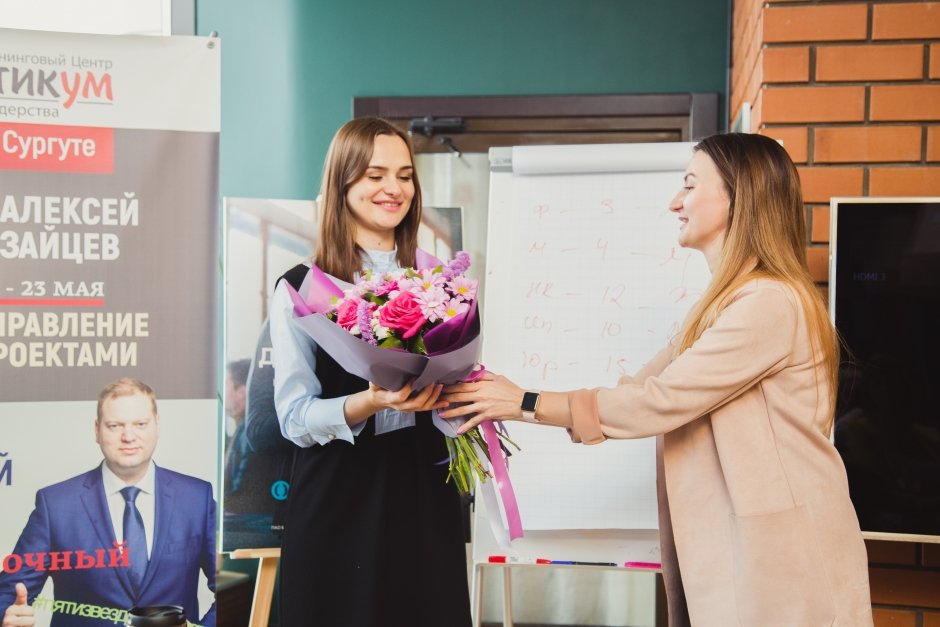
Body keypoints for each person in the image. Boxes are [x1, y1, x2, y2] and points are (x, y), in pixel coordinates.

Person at [442, 133, 874, 626]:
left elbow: (659, 401)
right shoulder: (719, 308)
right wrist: (501, 390)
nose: (675, 202)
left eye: (690, 185)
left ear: (740, 195)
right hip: (744, 554)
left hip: (782, 561)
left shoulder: (768, 303)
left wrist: (524, 401)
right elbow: (637, 392)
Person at [268, 117, 471, 627]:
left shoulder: (440, 285)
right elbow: (294, 418)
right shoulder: (301, 289)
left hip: (424, 499)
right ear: (344, 182)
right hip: (340, 502)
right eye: (376, 174)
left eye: (404, 176)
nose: (393, 189)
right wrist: (373, 401)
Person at [0, 378, 216, 627]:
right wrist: (8, 615)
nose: (128, 436)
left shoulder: (196, 498)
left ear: (157, 426)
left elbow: (230, 588)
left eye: (140, 424)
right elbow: (8, 592)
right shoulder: (56, 506)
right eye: (115, 425)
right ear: (97, 430)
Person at [222, 358, 287, 550]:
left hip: (256, 527)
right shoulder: (240, 431)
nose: (221, 392)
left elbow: (241, 494)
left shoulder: (252, 435)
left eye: (225, 384)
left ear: (242, 392)